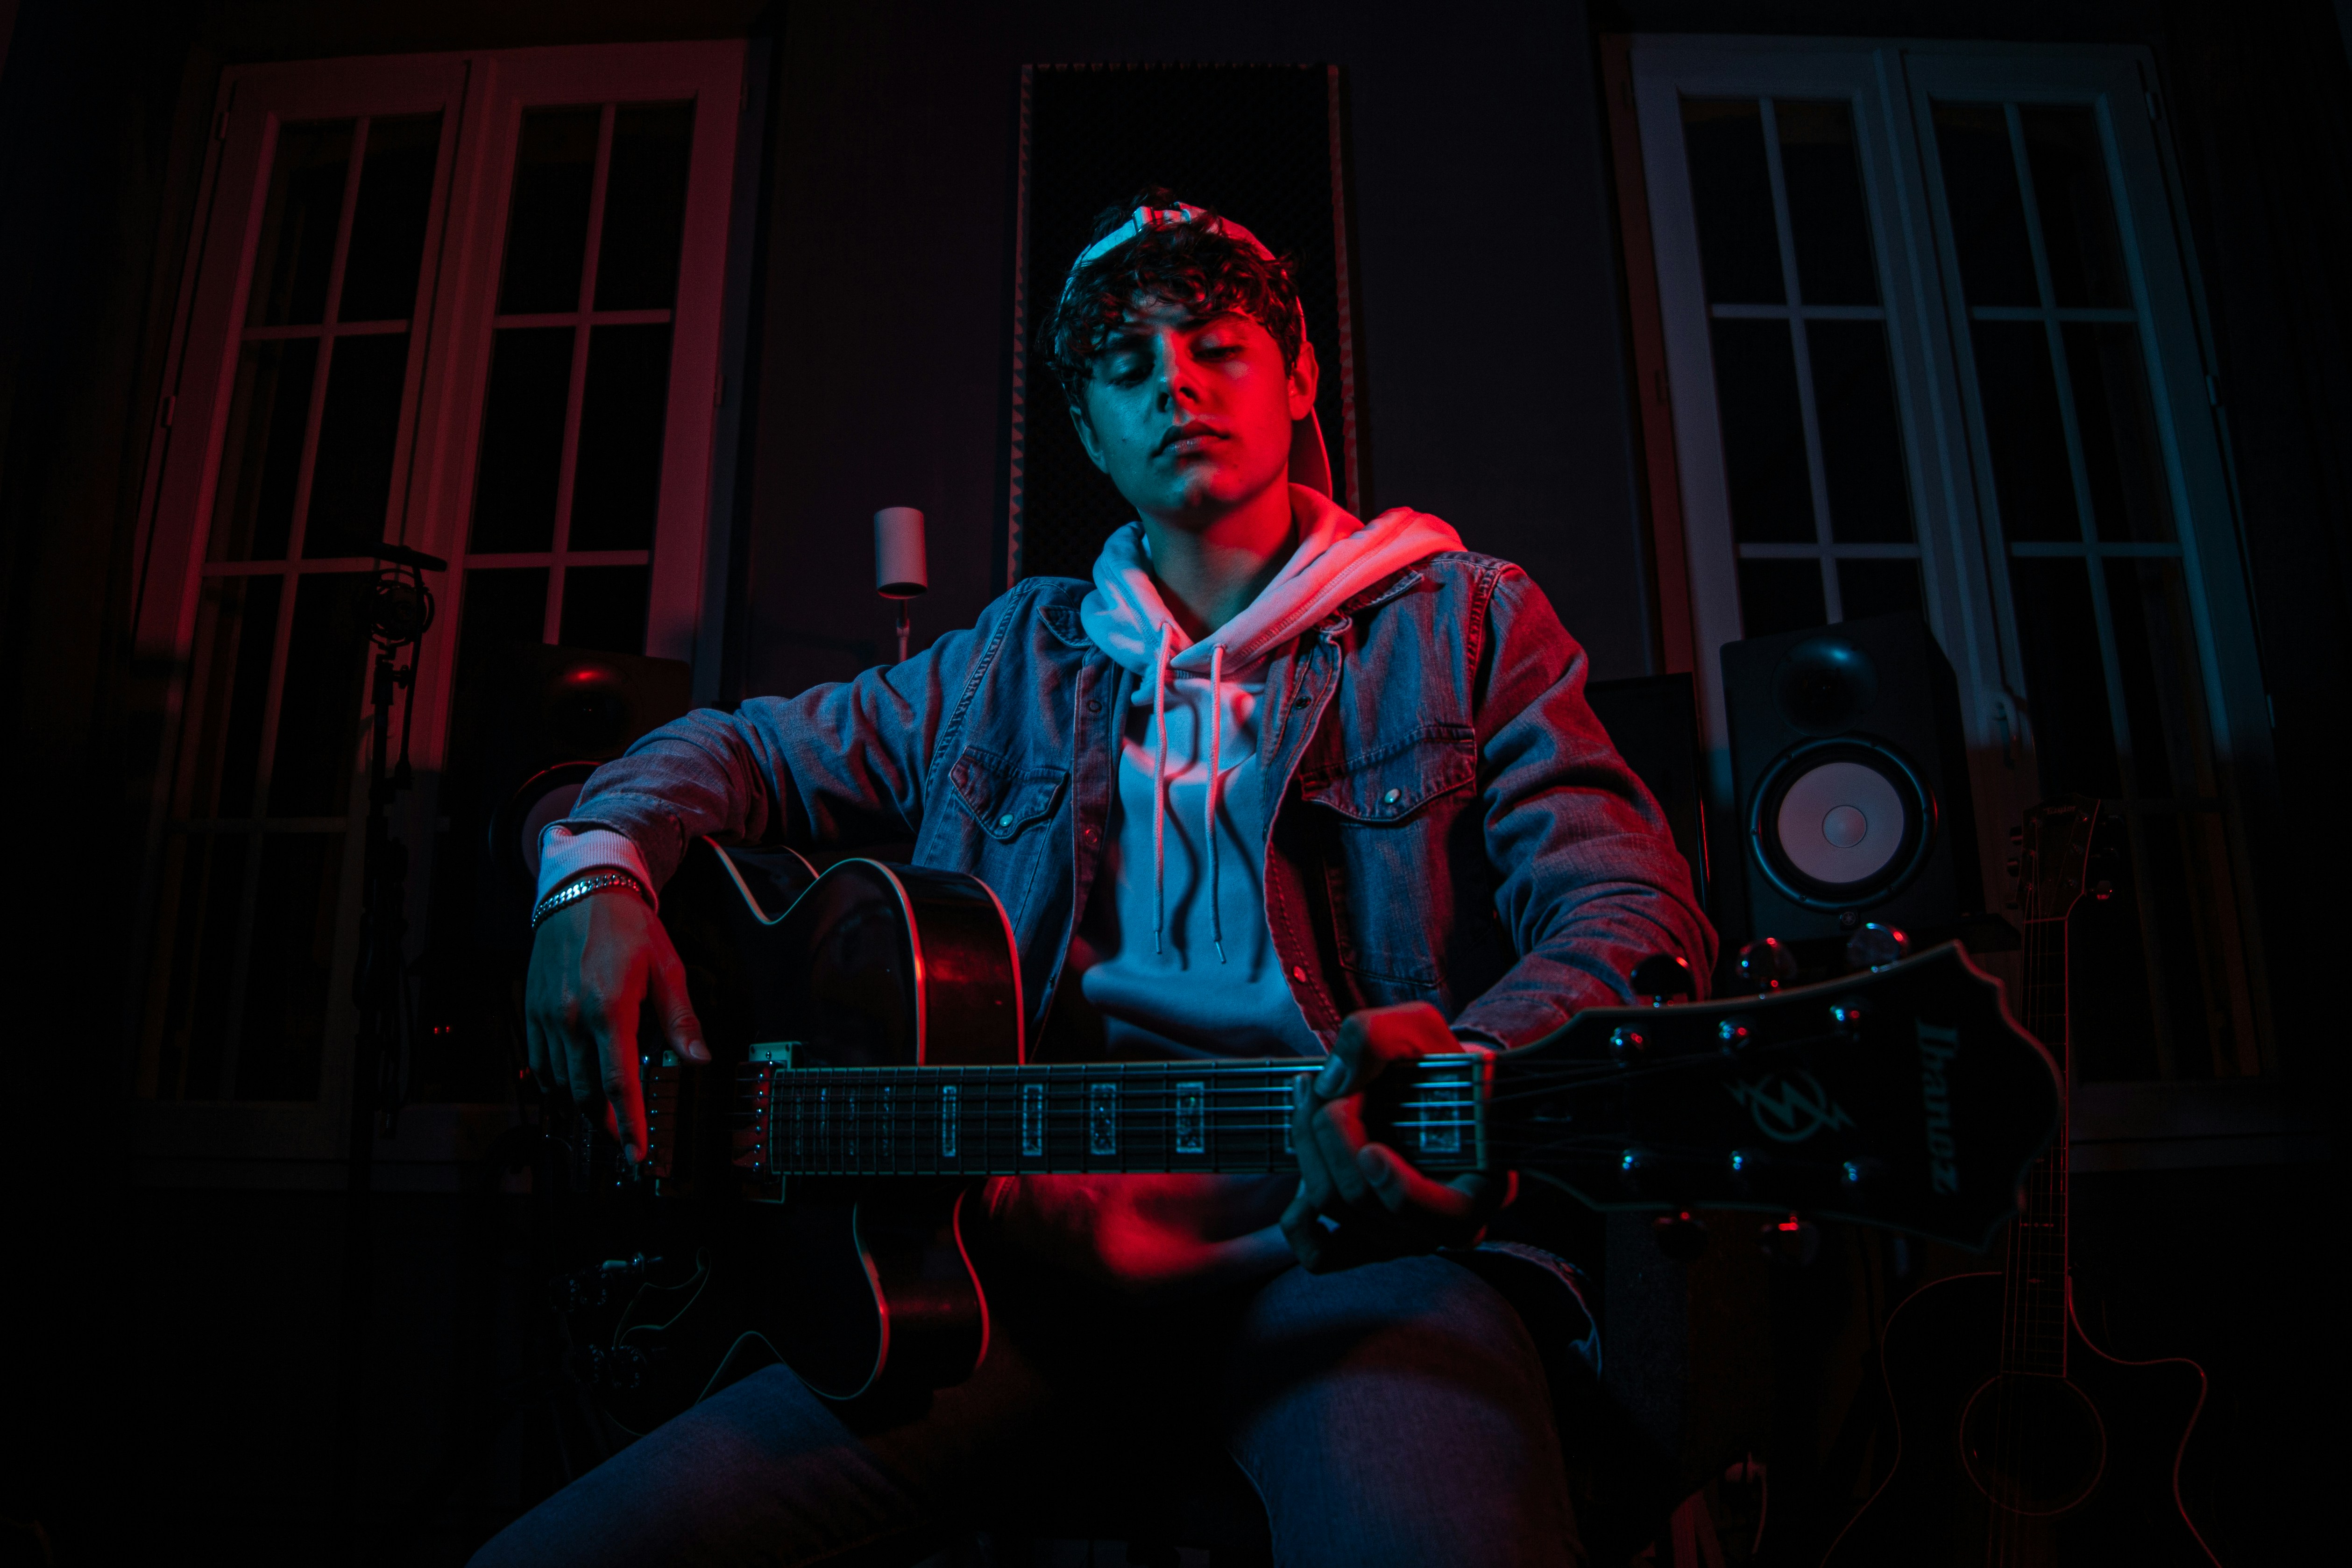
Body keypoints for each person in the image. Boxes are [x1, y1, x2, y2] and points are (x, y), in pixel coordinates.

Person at [474, 192, 1712, 1568]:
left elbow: (1632, 914)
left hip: (1360, 1269)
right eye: (1128, 368)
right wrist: (593, 876)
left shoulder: (1467, 621)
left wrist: (1460, 1077)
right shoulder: (1006, 662)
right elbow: (740, 750)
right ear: (1089, 430)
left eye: (1217, 347)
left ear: (1299, 379)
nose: (1173, 384)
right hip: (1012, 1285)